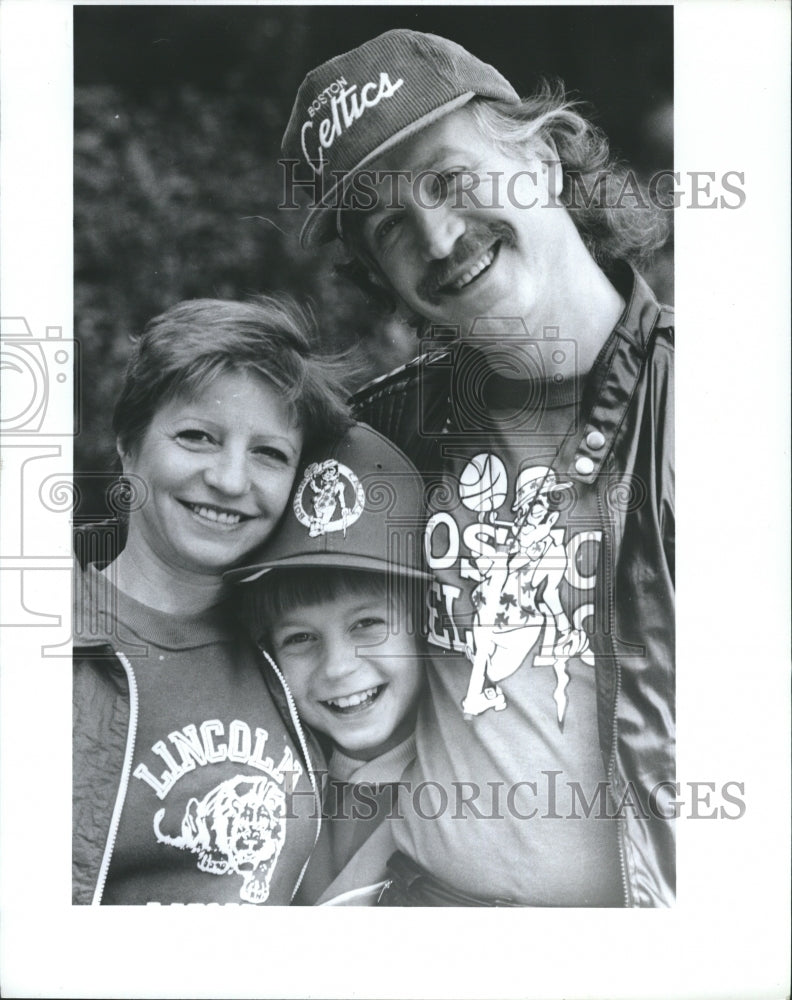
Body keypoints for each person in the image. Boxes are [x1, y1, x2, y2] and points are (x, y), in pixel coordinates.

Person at [281, 29, 675, 906]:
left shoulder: (719, 404)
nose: (439, 235)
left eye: (449, 181)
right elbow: (191, 546)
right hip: (422, 915)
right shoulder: (390, 428)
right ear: (379, 272)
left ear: (539, 152)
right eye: (390, 225)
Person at [72, 295, 352, 905]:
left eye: (269, 453)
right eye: (198, 437)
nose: (230, 480)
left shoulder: (298, 649)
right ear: (128, 444)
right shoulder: (40, 641)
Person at [228, 422, 431, 905]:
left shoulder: (471, 779)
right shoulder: (267, 783)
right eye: (299, 637)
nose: (338, 667)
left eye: (366, 624)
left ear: (428, 622)